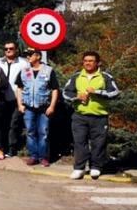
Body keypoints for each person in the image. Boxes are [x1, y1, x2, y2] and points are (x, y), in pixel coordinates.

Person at [63, 51, 121, 180]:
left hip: (99, 116)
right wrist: (76, 97)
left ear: (98, 63)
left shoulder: (105, 77)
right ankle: (79, 168)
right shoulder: (76, 76)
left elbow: (115, 92)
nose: (88, 63)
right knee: (79, 142)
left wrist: (97, 92)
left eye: (91, 61)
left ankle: (96, 167)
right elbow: (66, 93)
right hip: (80, 116)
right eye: (85, 61)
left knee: (98, 143)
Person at [15, 48, 59, 166]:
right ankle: (33, 156)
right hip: (28, 107)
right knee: (30, 131)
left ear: (38, 56)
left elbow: (55, 89)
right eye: (26, 55)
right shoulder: (24, 71)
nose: (28, 57)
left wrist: (52, 106)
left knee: (43, 132)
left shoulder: (48, 71)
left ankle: (43, 157)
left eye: (30, 55)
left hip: (44, 107)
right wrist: (19, 104)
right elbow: (19, 88)